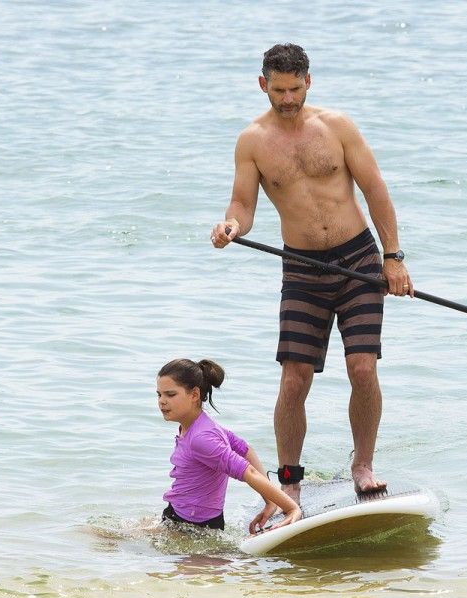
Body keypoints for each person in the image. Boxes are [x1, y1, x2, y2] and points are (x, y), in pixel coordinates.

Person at [210, 43, 412, 500]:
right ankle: (290, 484)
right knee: (294, 377)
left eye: (295, 89)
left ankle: (362, 465)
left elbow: (375, 190)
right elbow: (242, 204)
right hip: (302, 269)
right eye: (278, 90)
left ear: (309, 82)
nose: (287, 99)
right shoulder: (252, 141)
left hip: (358, 261)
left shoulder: (336, 127)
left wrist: (393, 257)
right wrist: (231, 227)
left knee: (362, 368)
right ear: (263, 84)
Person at [157, 358, 301, 534]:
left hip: (195, 528)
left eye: (170, 394)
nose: (162, 401)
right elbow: (244, 449)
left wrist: (291, 508)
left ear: (194, 395)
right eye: (159, 394)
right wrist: (270, 502)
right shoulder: (200, 425)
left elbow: (249, 472)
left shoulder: (202, 439)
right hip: (179, 514)